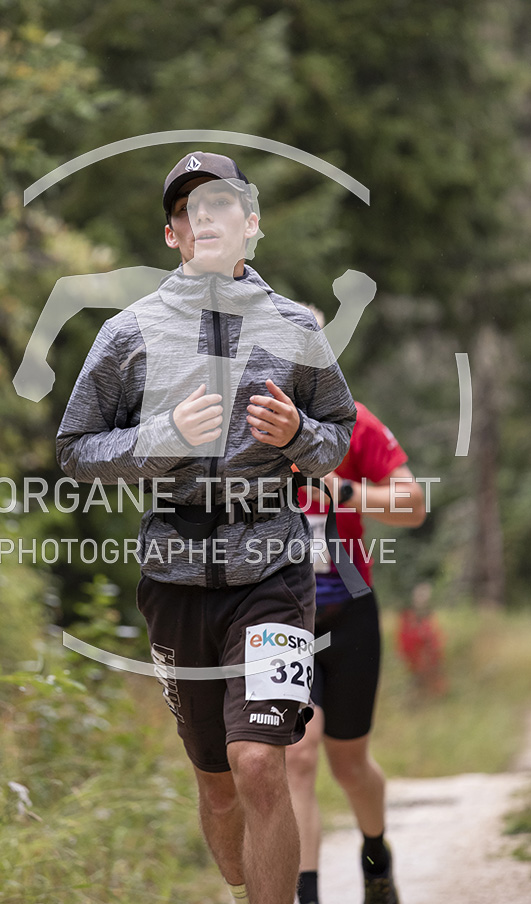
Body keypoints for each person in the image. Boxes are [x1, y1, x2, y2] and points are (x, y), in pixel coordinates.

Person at [55, 152, 365, 904]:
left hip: (273, 572)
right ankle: (241, 889)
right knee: (218, 785)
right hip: (175, 578)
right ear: (174, 236)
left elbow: (338, 436)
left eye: (222, 203)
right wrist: (159, 438)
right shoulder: (129, 333)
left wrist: (297, 433)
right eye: (190, 210)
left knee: (260, 762)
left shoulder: (296, 328)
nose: (207, 218)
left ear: (250, 224)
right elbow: (75, 449)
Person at [285, 343, 427, 904]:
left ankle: (376, 857)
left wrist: (344, 490)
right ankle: (307, 895)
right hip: (281, 618)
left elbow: (413, 505)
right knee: (298, 755)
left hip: (348, 613)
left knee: (349, 765)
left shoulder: (355, 424)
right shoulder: (249, 431)